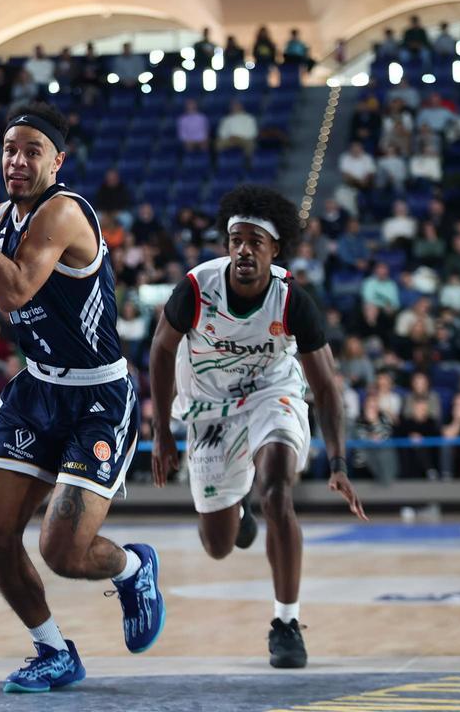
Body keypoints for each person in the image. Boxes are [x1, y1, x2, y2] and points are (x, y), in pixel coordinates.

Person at [0, 100, 164, 693]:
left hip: (98, 395)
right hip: (37, 388)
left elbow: (15, 291)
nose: (17, 161)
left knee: (63, 551)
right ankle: (53, 651)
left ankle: (133, 567)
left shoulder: (64, 212)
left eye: (32, 150)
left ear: (58, 161)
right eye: (9, 149)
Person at [148, 185, 366, 670]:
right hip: (209, 405)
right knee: (217, 546)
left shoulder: (292, 300)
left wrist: (337, 462)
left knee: (278, 493)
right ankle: (237, 512)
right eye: (236, 241)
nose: (243, 250)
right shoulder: (196, 288)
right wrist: (161, 431)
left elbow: (325, 386)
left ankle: (286, 622)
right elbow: (161, 351)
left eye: (255, 242)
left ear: (274, 250)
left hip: (272, 392)